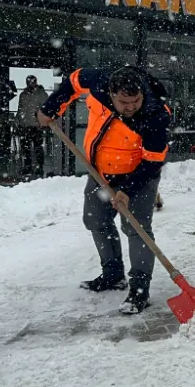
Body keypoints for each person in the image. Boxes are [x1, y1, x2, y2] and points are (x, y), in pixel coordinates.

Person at [36, 66, 171, 315]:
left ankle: (139, 288)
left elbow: (152, 162)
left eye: (135, 101)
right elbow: (73, 82)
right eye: (123, 102)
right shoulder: (98, 82)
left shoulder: (155, 116)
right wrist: (51, 108)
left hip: (139, 176)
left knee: (136, 228)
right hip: (100, 173)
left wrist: (127, 190)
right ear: (111, 93)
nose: (130, 107)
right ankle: (112, 274)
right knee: (95, 220)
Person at [15, 75, 49, 177]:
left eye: (32, 81)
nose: (30, 83)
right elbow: (20, 109)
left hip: (36, 125)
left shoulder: (41, 94)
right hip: (25, 125)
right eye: (29, 81)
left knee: (37, 147)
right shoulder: (23, 95)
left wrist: (42, 122)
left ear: (35, 82)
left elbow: (46, 109)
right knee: (26, 148)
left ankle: (39, 167)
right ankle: (28, 167)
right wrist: (18, 121)